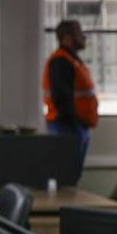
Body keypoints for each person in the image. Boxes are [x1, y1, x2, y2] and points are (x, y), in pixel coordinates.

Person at [43, 19, 98, 173]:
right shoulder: (61, 61)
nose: (83, 37)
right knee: (66, 175)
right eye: (79, 33)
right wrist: (73, 123)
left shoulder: (73, 60)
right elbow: (61, 97)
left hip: (76, 126)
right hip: (66, 127)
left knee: (72, 175)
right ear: (67, 37)